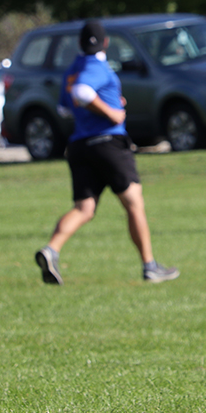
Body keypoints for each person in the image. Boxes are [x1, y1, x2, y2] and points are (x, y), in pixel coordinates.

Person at [35, 20, 179, 284]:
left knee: (84, 208)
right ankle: (150, 266)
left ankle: (51, 250)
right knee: (134, 203)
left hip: (79, 145)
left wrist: (105, 102)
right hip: (109, 143)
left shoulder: (72, 69)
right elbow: (82, 93)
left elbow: (66, 108)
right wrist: (111, 111)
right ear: (106, 43)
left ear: (79, 43)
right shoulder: (96, 66)